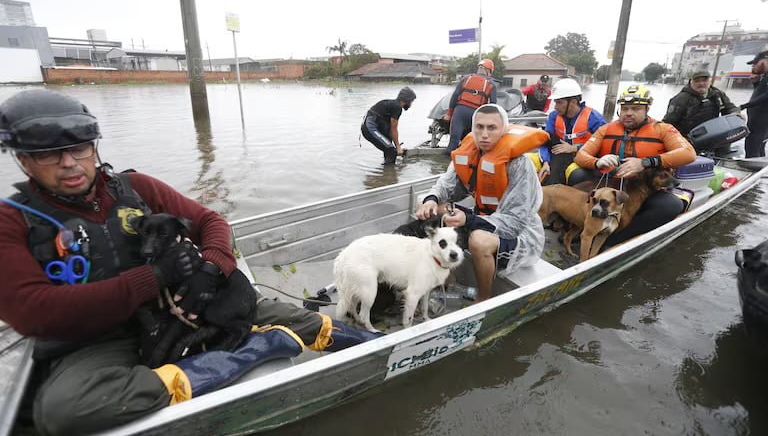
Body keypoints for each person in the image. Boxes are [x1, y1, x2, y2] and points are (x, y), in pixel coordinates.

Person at [0, 89, 378, 435]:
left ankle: (375, 344)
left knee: (296, 318)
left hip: (182, 309)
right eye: (50, 154)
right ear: (23, 160)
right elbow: (33, 312)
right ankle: (251, 351)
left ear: (94, 147)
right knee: (62, 411)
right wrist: (155, 276)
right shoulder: (12, 220)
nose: (69, 163)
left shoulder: (135, 188)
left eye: (80, 149)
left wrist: (212, 270)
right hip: (100, 339)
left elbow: (211, 222)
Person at [416, 104, 546, 302]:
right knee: (437, 209)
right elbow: (446, 185)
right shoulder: (470, 154)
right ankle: (447, 281)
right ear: (473, 128)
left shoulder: (520, 164)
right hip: (482, 218)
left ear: (504, 130)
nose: (484, 134)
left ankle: (483, 300)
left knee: (479, 240)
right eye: (479, 127)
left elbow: (514, 223)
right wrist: (431, 199)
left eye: (491, 128)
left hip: (522, 233)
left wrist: (468, 220)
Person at [575, 84, 696, 248]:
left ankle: (615, 240)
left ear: (647, 109)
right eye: (624, 109)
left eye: (635, 108)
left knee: (671, 206)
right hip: (611, 184)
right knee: (578, 175)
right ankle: (580, 227)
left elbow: (689, 153)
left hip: (644, 188)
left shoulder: (663, 129)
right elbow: (580, 156)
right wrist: (597, 161)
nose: (628, 113)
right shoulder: (606, 129)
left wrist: (645, 162)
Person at [538, 78, 607, 185]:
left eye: (559, 102)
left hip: (581, 156)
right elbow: (545, 140)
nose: (555, 107)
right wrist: (545, 162)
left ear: (573, 102)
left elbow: (603, 145)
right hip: (557, 155)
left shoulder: (594, 118)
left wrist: (574, 148)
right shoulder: (553, 117)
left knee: (577, 175)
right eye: (555, 102)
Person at [663, 68, 742, 153]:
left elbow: (729, 107)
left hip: (712, 136)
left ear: (709, 81)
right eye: (697, 81)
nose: (701, 83)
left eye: (704, 80)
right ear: (691, 81)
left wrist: (735, 113)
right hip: (688, 140)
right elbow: (668, 123)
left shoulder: (717, 94)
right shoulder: (680, 99)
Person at [445, 59, 498, 152]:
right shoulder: (491, 84)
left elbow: (455, 95)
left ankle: (445, 164)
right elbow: (493, 105)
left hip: (460, 112)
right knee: (471, 145)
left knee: (453, 142)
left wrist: (449, 114)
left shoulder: (466, 78)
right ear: (489, 71)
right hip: (476, 114)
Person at [361, 87, 416, 164]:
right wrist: (398, 147)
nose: (411, 104)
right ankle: (390, 174)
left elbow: (390, 130)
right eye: (411, 101)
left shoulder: (391, 104)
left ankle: (386, 172)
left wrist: (396, 147)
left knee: (389, 147)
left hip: (371, 127)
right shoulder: (397, 107)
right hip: (370, 128)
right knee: (391, 151)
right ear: (407, 100)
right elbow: (394, 129)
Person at [741, 51, 768, 158]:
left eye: (755, 63)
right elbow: (760, 94)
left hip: (762, 120)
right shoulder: (765, 76)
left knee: (753, 145)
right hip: (756, 119)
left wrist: (743, 106)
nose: (753, 66)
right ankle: (759, 169)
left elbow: (766, 96)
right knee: (757, 146)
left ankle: (753, 171)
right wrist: (756, 83)